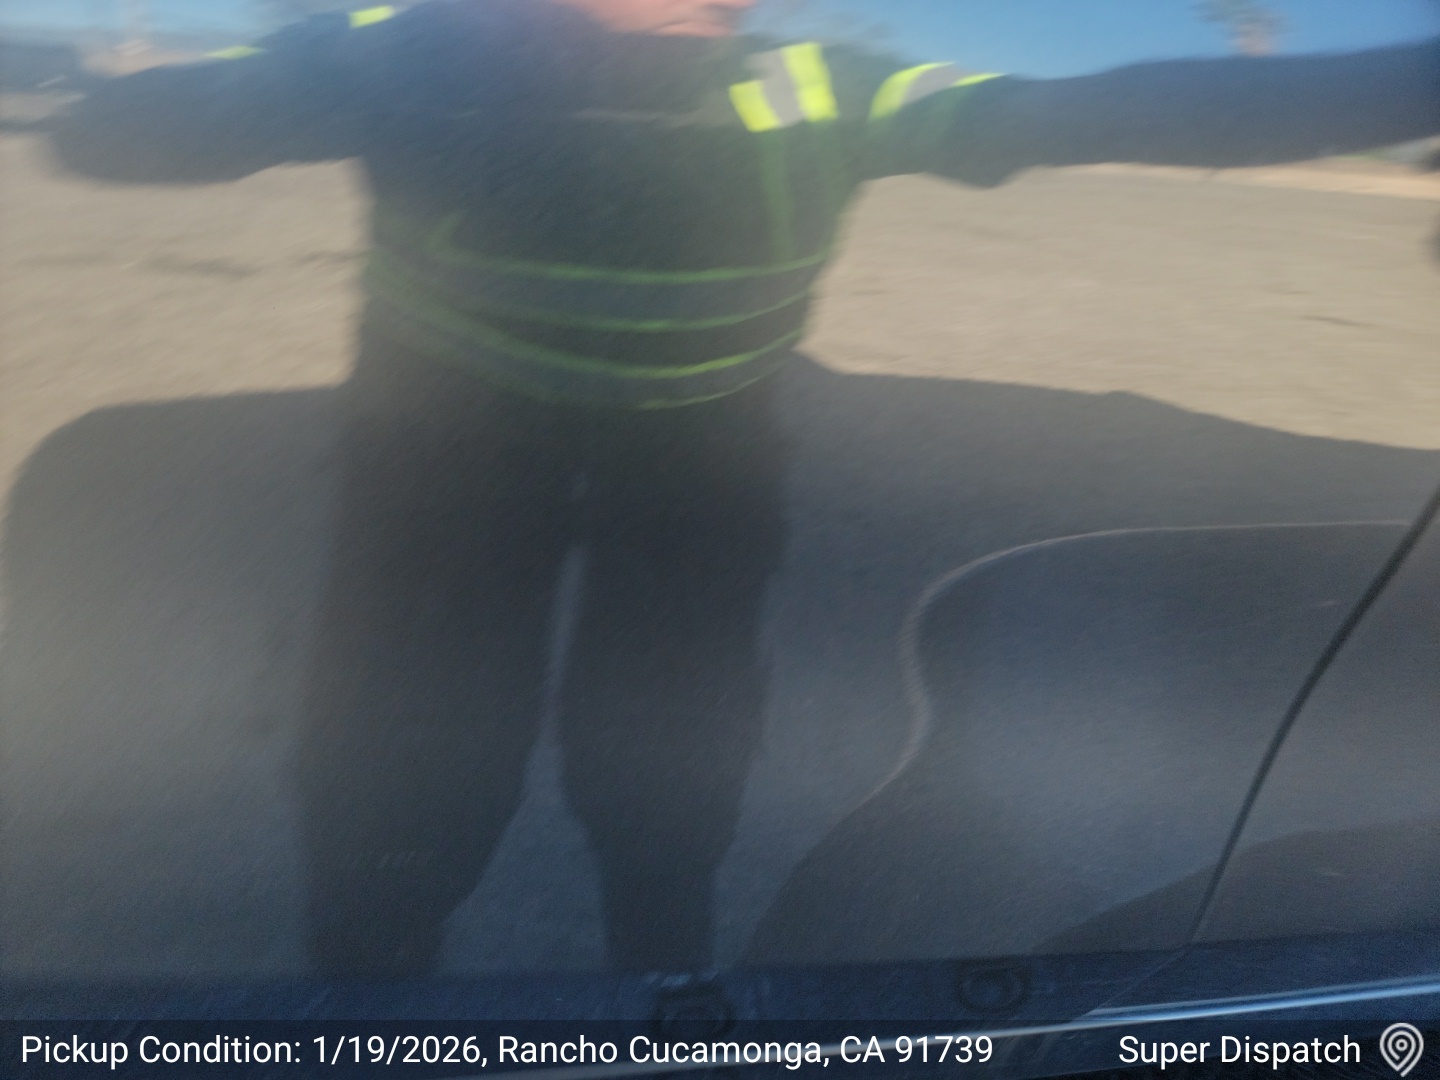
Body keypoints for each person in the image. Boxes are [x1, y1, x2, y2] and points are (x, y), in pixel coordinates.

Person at [49, 0, 1439, 977]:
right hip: (456, 459)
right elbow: (117, 135)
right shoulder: (413, 43)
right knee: (414, 735)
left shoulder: (816, 85)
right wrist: (357, 64)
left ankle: (649, 949)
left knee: (666, 725)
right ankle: (384, 969)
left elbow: (1119, 109)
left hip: (679, 466)